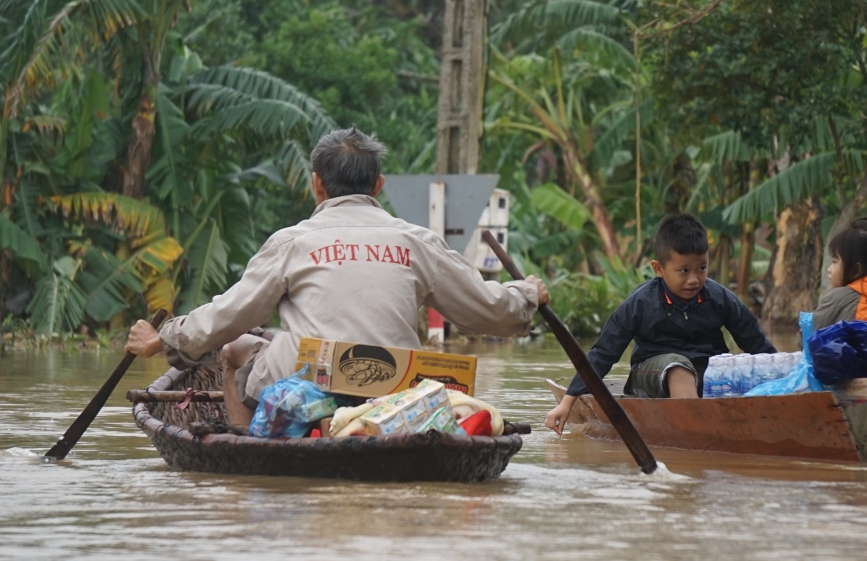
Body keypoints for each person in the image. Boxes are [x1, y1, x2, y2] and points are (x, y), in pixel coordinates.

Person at [125, 127, 549, 429]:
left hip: (311, 375)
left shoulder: (293, 241)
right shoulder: (416, 240)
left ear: (317, 185)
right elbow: (490, 309)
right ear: (378, 185)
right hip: (398, 383)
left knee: (235, 348)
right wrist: (526, 293)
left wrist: (163, 337)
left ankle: (245, 445)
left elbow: (229, 314)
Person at [544, 213, 774, 434]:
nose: (694, 279)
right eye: (683, 271)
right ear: (659, 268)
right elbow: (603, 353)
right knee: (679, 368)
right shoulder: (640, 303)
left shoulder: (720, 298)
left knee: (735, 367)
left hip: (705, 373)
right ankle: (696, 432)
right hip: (652, 375)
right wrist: (567, 402)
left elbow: (758, 346)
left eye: (701, 268)